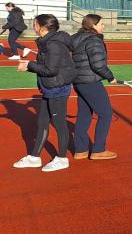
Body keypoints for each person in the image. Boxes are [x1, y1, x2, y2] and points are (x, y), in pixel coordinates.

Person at [13, 14, 76, 172]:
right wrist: (29, 66)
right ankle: (34, 157)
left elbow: (50, 70)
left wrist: (29, 64)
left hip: (57, 89)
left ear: (42, 27)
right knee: (42, 122)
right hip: (50, 88)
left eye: (34, 24)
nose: (33, 26)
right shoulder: (47, 42)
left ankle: (62, 159)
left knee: (59, 124)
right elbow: (46, 67)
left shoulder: (53, 44)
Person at [71, 14, 118, 160]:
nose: (103, 26)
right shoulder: (93, 40)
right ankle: (98, 150)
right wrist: (110, 77)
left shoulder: (78, 38)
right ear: (93, 25)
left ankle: (81, 150)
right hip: (90, 81)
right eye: (101, 24)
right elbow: (98, 64)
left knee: (84, 116)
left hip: (79, 81)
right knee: (106, 114)